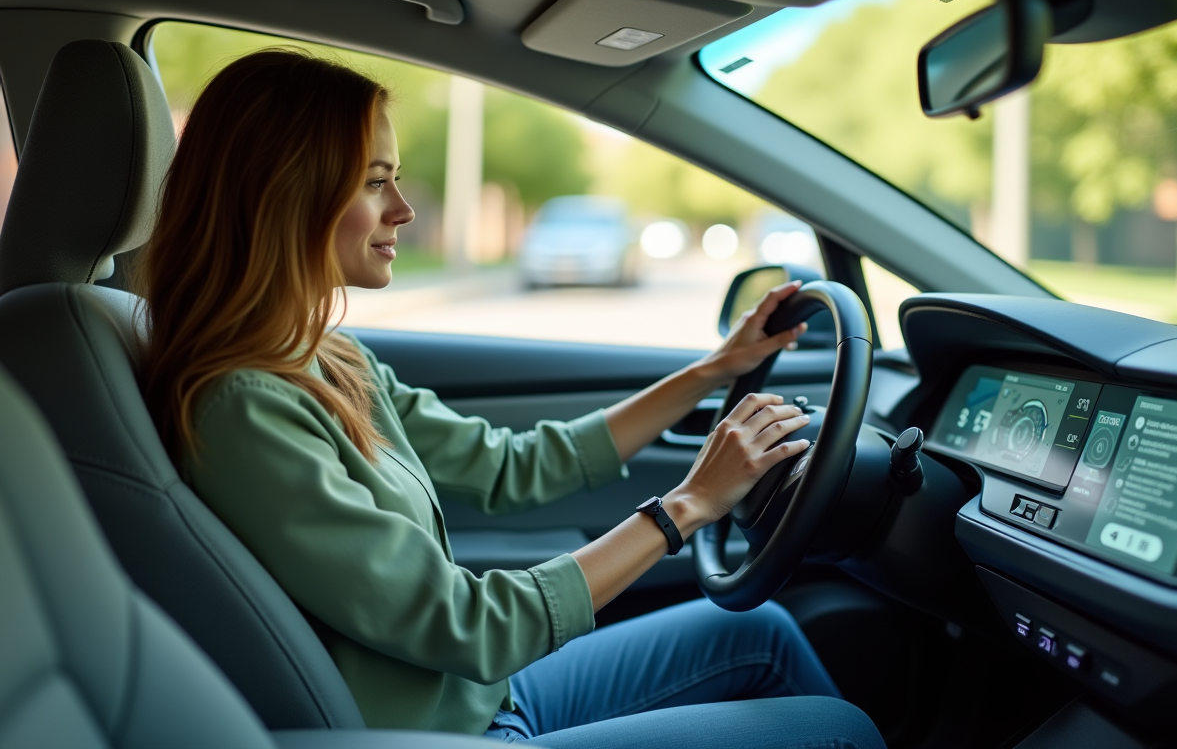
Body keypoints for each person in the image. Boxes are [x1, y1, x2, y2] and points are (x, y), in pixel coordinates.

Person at [134, 48, 884, 749]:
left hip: (480, 692)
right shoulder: (242, 409)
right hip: (452, 732)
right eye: (373, 181)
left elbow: (511, 467)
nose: (403, 209)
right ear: (284, 194)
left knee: (763, 632)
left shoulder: (327, 357)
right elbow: (465, 624)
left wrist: (715, 370)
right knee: (835, 727)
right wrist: (687, 506)